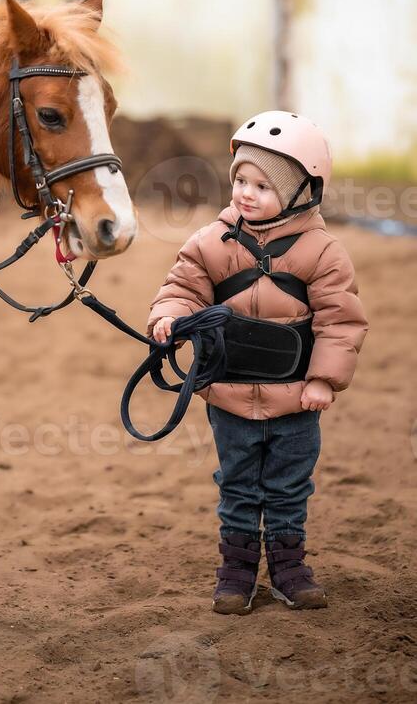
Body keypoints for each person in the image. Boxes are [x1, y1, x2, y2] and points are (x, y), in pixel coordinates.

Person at [146, 111, 368, 614]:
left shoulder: (324, 253)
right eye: (241, 181)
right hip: (228, 395)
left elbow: (341, 322)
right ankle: (237, 571)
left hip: (296, 400)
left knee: (289, 487)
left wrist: (324, 380)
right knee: (238, 486)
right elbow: (181, 288)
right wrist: (168, 317)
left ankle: (289, 568)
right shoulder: (210, 242)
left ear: (302, 192)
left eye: (263, 186)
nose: (246, 193)